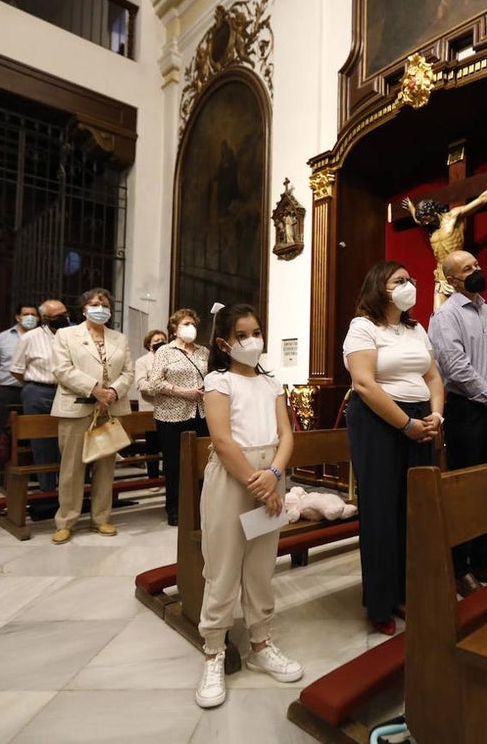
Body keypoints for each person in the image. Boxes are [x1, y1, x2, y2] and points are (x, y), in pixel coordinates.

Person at [195, 303, 301, 709]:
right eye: (242, 335)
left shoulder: (271, 383)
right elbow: (221, 440)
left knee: (259, 566)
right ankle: (213, 652)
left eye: (256, 332)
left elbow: (286, 435)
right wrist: (261, 486)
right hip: (233, 479)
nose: (252, 340)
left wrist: (274, 475)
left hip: (268, 475)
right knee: (222, 568)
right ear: (224, 342)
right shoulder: (219, 381)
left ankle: (261, 642)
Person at [343, 261, 445, 635]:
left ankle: (406, 591)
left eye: (410, 279)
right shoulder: (363, 327)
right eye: (399, 280)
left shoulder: (416, 329)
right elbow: (364, 384)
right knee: (381, 510)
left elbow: (433, 376)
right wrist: (405, 424)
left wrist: (437, 416)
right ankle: (380, 602)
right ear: (379, 287)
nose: (409, 285)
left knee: (413, 510)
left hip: (421, 420)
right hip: (379, 423)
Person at [427, 249, 487, 597]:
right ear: (451, 279)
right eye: (467, 269)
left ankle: (484, 557)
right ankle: (460, 566)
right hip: (467, 411)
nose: (476, 271)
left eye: (477, 265)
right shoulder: (445, 316)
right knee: (466, 492)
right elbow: (455, 367)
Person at [49, 288, 133, 545]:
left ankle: (101, 518)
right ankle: (66, 520)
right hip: (77, 407)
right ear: (84, 308)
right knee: (72, 468)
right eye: (95, 303)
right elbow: (62, 369)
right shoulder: (66, 335)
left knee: (105, 467)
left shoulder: (119, 338)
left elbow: (128, 372)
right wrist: (95, 390)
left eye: (105, 303)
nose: (100, 307)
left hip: (110, 408)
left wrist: (112, 392)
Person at [400, 160, 487, 304]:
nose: (425, 223)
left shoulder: (454, 217)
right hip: (441, 277)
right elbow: (417, 219)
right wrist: (411, 207)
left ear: (434, 212)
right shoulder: (429, 225)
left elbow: (482, 200)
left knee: (465, 314)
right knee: (439, 318)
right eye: (423, 220)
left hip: (459, 275)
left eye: (427, 219)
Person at [147, 311, 209, 526]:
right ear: (174, 328)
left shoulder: (203, 352)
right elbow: (153, 384)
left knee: (201, 464)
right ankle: (174, 509)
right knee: (174, 465)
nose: (190, 326)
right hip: (171, 415)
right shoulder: (165, 351)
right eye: (186, 323)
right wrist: (184, 392)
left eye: (193, 323)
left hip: (201, 413)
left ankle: (199, 507)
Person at [10, 300, 67, 492]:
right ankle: (47, 490)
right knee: (42, 443)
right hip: (38, 391)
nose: (64, 318)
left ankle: (68, 490)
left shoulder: (71, 335)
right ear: (45, 318)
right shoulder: (30, 338)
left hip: (66, 391)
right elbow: (16, 369)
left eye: (65, 313)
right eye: (58, 316)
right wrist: (35, 385)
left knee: (66, 442)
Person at [0, 305, 39, 482]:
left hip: (33, 390)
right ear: (18, 317)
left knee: (31, 432)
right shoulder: (3, 337)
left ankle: (28, 472)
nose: (30, 317)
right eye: (26, 314)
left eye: (33, 314)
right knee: (2, 432)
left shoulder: (43, 338)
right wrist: (2, 386)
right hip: (9, 391)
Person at [133, 328, 167, 482]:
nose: (160, 343)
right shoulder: (142, 361)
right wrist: (163, 388)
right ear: (148, 344)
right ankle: (152, 478)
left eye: (162, 340)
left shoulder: (170, 359)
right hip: (150, 409)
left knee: (168, 445)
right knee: (152, 446)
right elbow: (141, 385)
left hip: (169, 408)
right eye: (156, 341)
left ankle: (168, 478)